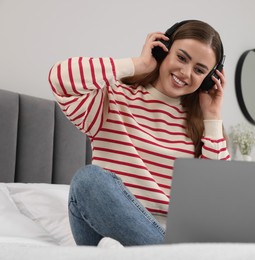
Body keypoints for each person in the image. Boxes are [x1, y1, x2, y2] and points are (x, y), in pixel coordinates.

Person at [48, 19, 230, 246]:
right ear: (163, 52)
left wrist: (212, 116)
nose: (185, 73)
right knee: (88, 180)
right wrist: (138, 65)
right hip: (110, 231)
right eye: (181, 58)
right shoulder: (113, 97)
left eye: (199, 70)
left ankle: (162, 252)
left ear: (208, 80)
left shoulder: (203, 126)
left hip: (171, 235)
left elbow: (217, 195)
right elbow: (59, 78)